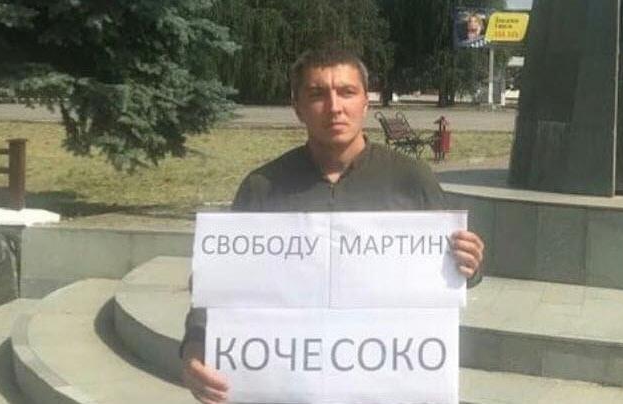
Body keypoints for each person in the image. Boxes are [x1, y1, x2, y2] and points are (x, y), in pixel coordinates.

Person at [181, 46, 485, 404]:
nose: (334, 107)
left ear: (366, 102)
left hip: (384, 384)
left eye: (347, 92)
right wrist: (194, 349)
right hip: (288, 387)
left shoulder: (411, 179)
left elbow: (454, 276)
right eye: (317, 94)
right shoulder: (263, 187)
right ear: (297, 107)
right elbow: (222, 287)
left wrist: (470, 262)